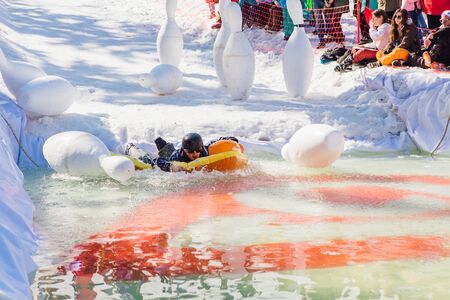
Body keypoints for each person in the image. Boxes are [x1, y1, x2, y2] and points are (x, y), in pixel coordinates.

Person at [125, 133, 239, 172]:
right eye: (191, 151)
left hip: (175, 152)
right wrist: (170, 167)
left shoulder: (205, 150)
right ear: (185, 151)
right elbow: (158, 162)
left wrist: (229, 139)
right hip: (170, 156)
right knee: (150, 163)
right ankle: (131, 148)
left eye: (197, 150)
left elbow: (215, 142)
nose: (195, 154)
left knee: (169, 149)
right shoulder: (178, 157)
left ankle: (162, 143)